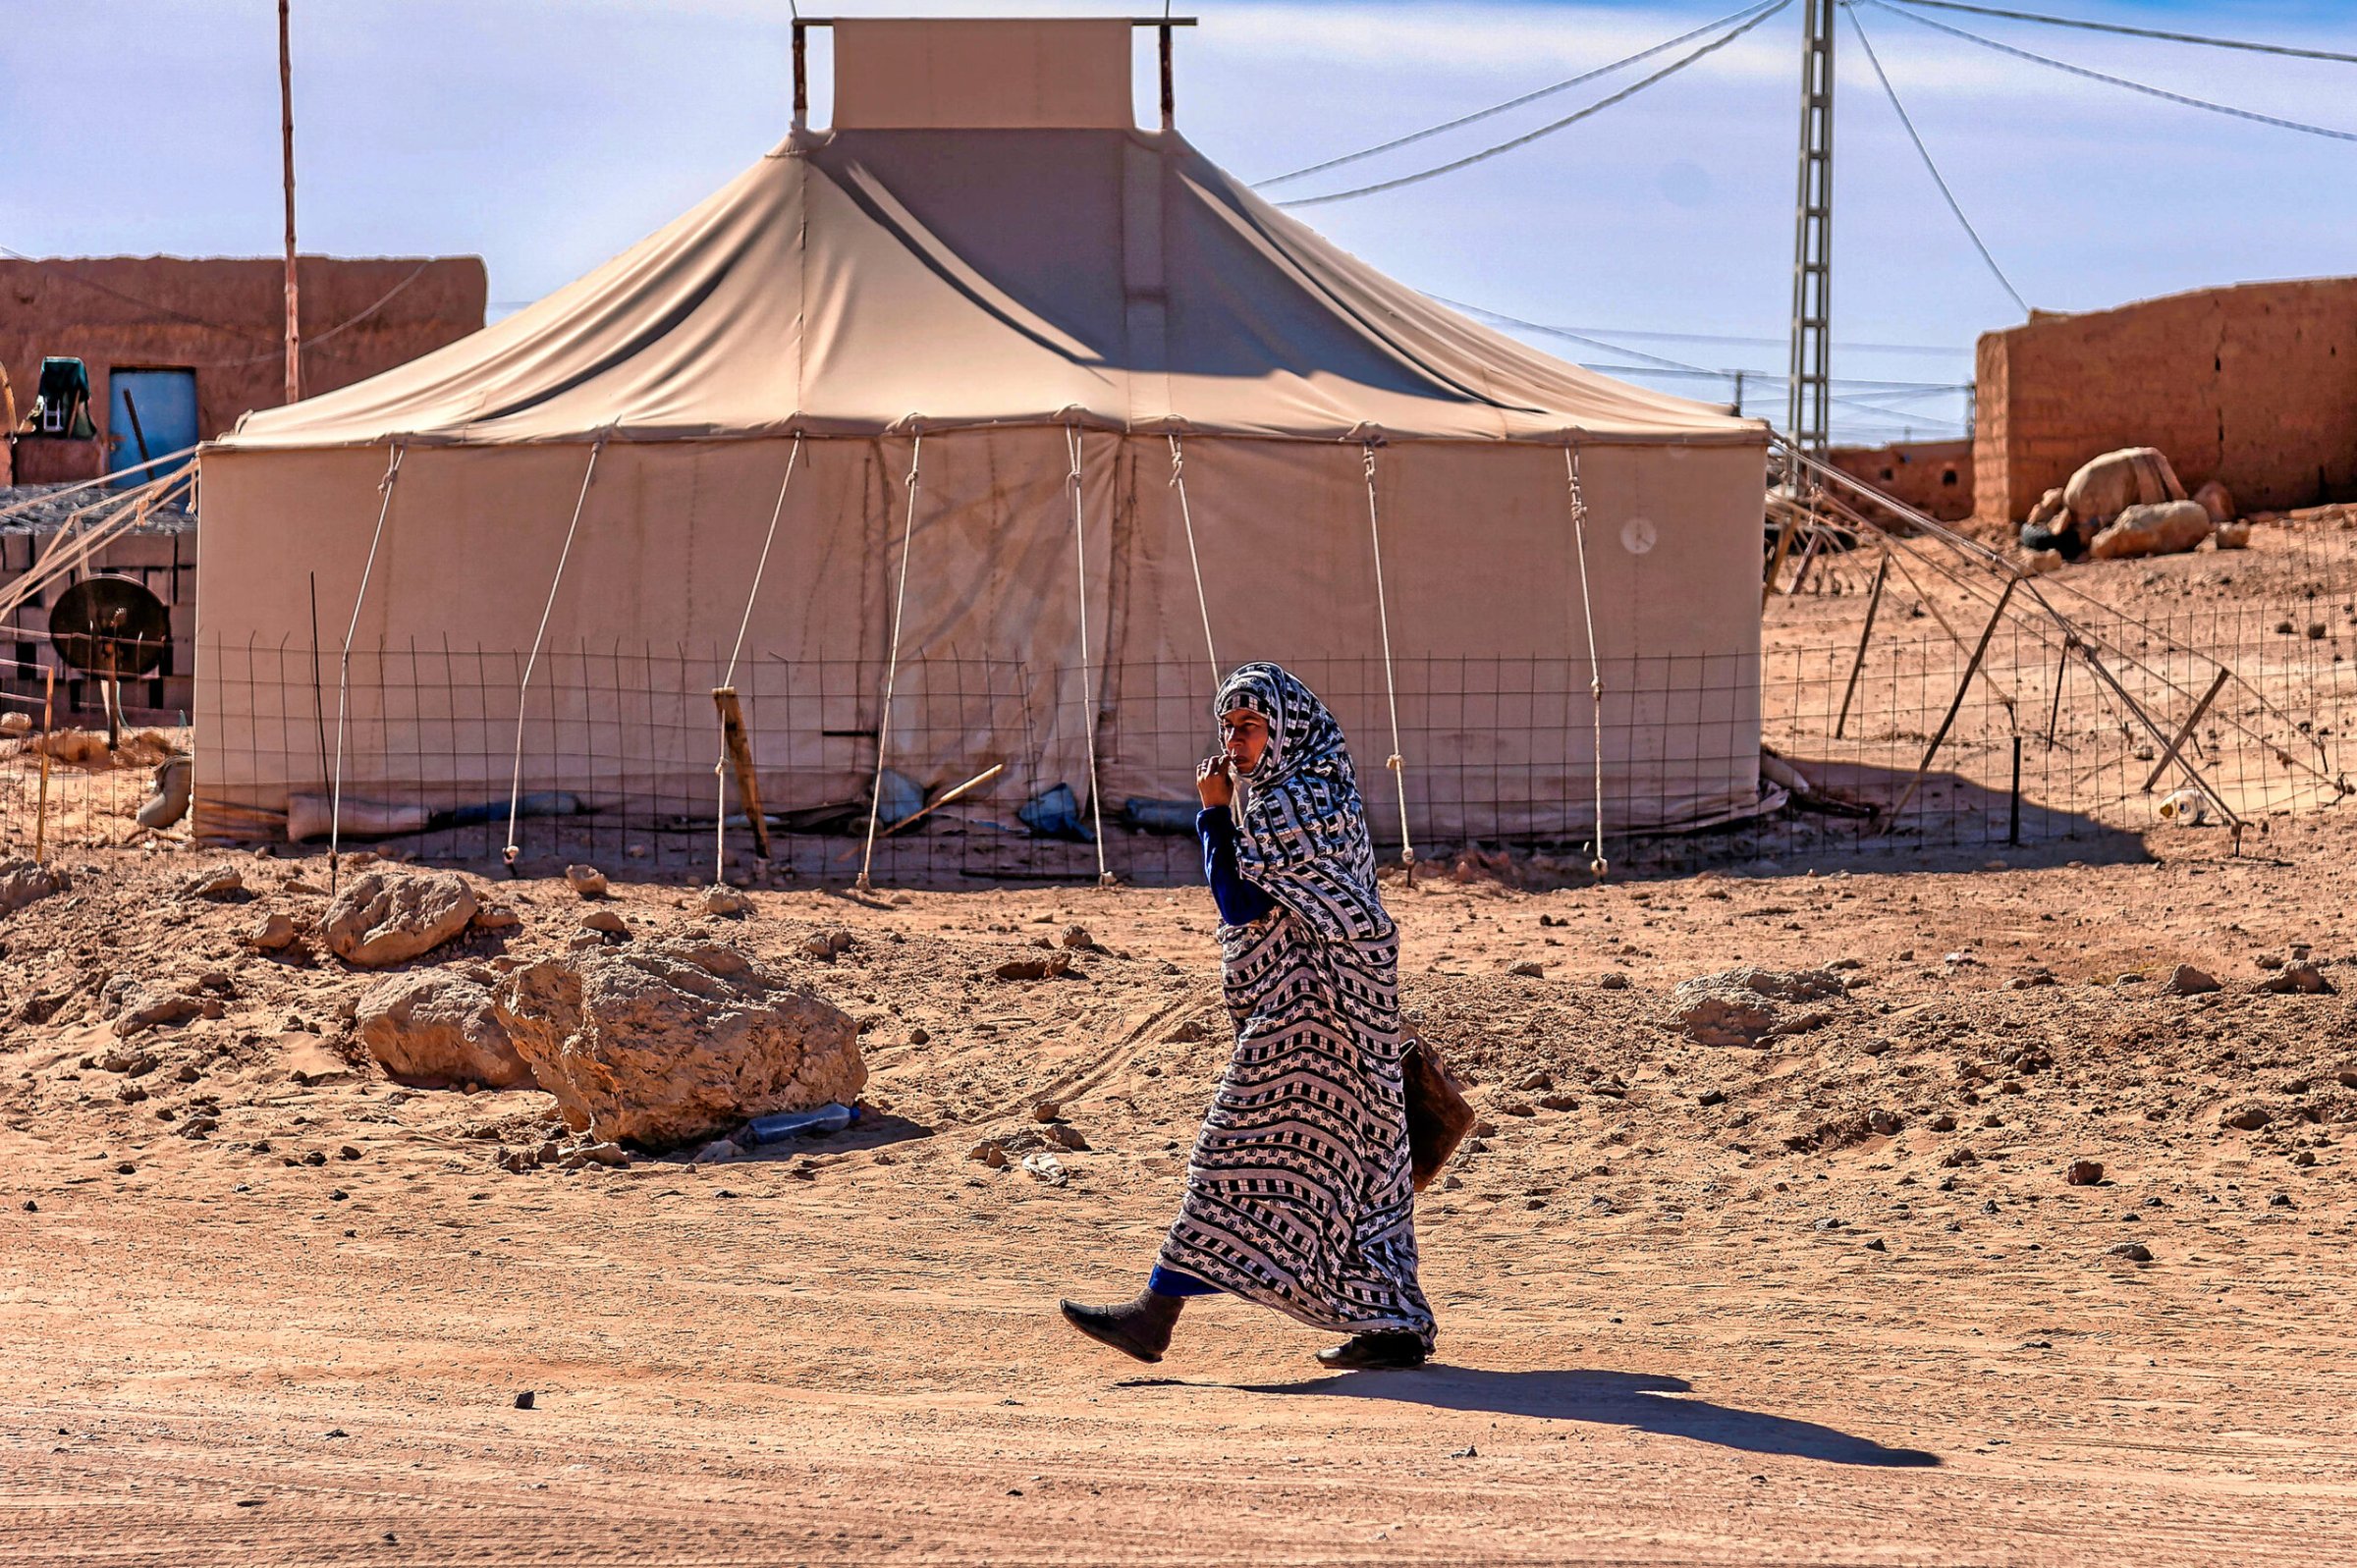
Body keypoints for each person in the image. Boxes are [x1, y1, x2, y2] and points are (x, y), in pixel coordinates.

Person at [1059, 663, 1437, 1371]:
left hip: (1316, 1015)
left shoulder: (1294, 801)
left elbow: (1240, 902)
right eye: (1227, 728)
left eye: (1249, 727)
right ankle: (1395, 1325)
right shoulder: (1308, 789)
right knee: (1355, 1171)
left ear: (1283, 729)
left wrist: (1211, 812)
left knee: (1232, 1150)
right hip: (1330, 1016)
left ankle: (1155, 1315)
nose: (1234, 742)